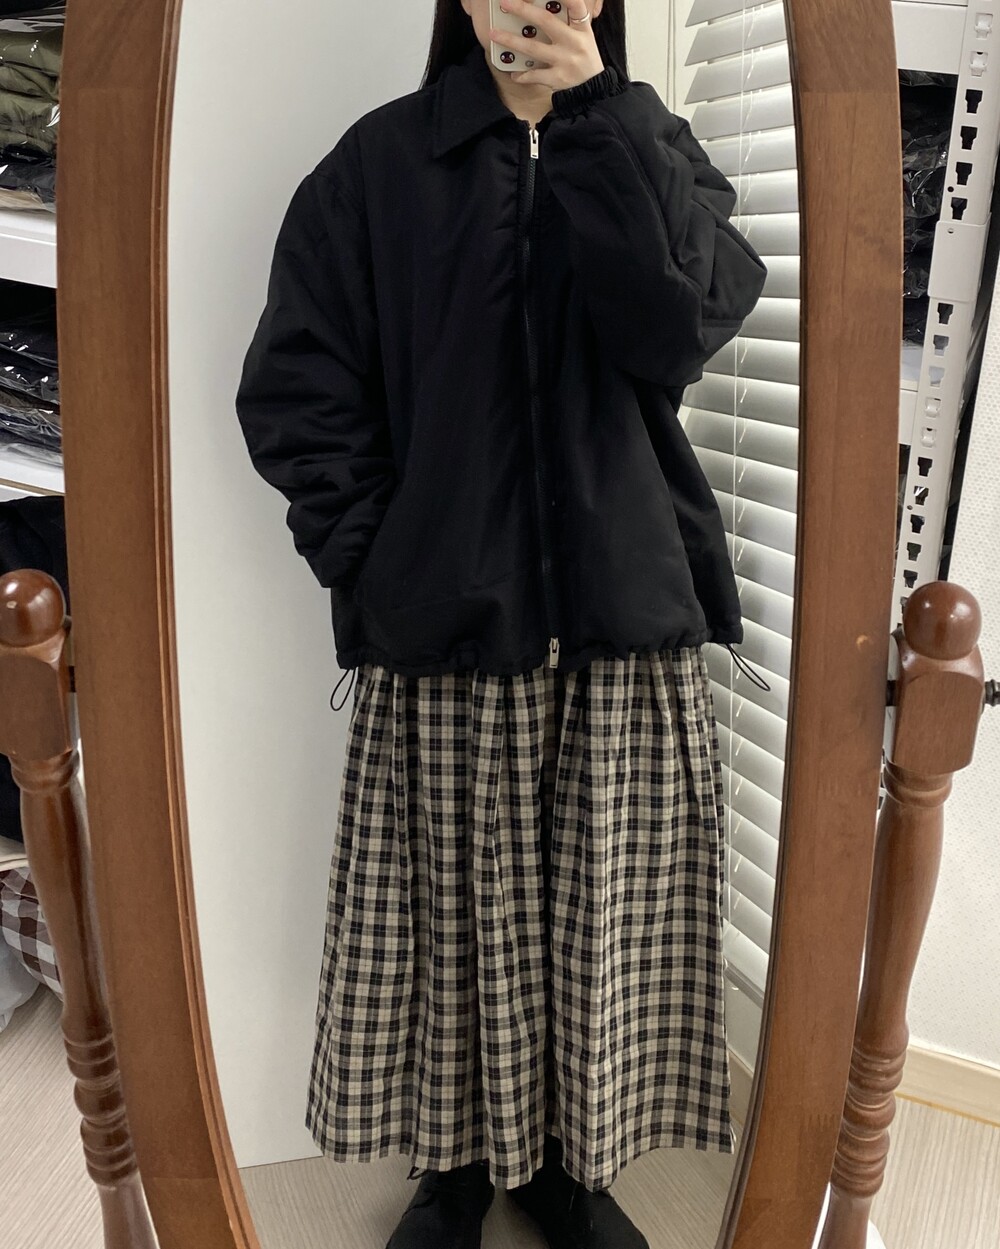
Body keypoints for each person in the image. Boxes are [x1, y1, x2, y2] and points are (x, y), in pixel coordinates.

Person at [235, 1, 768, 1246]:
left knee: (597, 926)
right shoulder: (378, 165)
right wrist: (380, 561)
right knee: (448, 925)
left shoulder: (650, 142)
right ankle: (454, 1172)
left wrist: (597, 121)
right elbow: (297, 388)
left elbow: (678, 332)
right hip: (447, 629)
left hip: (623, 618)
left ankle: (572, 1170)